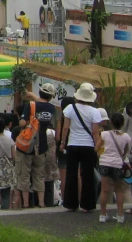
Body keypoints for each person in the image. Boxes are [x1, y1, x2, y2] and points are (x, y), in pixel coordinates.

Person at [60, 82, 101, 212]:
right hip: (88, 145)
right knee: (87, 175)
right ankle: (87, 205)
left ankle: (71, 204)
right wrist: (97, 147)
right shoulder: (94, 112)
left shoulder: (70, 109)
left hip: (72, 144)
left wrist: (62, 142)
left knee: (71, 174)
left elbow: (65, 127)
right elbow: (95, 132)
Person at [16, 83, 57, 208]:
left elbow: (22, 122)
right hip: (42, 145)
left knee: (24, 175)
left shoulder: (31, 105)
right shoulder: (51, 108)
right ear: (51, 97)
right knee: (39, 175)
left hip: (27, 146)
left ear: (40, 92)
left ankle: (27, 203)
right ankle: (41, 202)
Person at [97, 112, 131, 224]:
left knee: (104, 190)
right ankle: (120, 215)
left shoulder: (104, 134)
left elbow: (97, 148)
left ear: (111, 122)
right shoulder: (126, 137)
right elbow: (126, 151)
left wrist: (102, 153)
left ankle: (103, 214)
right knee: (119, 190)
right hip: (117, 164)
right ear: (122, 123)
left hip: (105, 163)